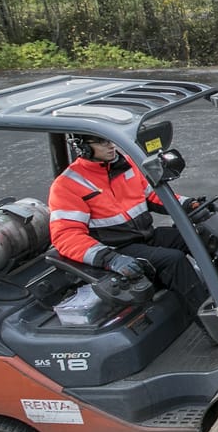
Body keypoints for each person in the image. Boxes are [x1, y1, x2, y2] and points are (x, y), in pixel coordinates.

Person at [49, 134, 209, 314]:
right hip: (118, 249)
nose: (110, 146)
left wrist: (189, 204)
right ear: (83, 147)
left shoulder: (126, 164)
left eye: (110, 140)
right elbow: (66, 235)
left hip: (146, 236)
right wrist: (110, 259)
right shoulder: (68, 184)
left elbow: (153, 196)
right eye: (102, 142)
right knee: (173, 260)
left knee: (199, 233)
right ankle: (213, 322)